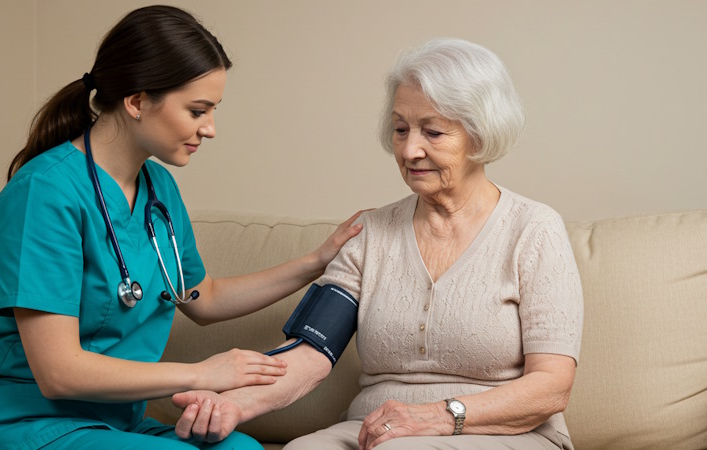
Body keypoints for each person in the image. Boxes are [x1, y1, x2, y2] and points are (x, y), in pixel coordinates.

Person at [0, 5, 363, 450]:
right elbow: (58, 372)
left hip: (116, 423)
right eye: (197, 110)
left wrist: (315, 262)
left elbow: (204, 297)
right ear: (137, 101)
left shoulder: (158, 187)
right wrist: (203, 372)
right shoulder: (44, 194)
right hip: (23, 424)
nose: (210, 129)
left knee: (243, 448)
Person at [170, 38, 584, 450]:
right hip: (377, 428)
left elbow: (551, 388)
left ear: (479, 135)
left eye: (433, 132)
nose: (409, 149)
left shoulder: (534, 229)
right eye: (400, 129)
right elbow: (311, 354)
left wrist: (435, 417)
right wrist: (233, 405)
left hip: (504, 433)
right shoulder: (370, 233)